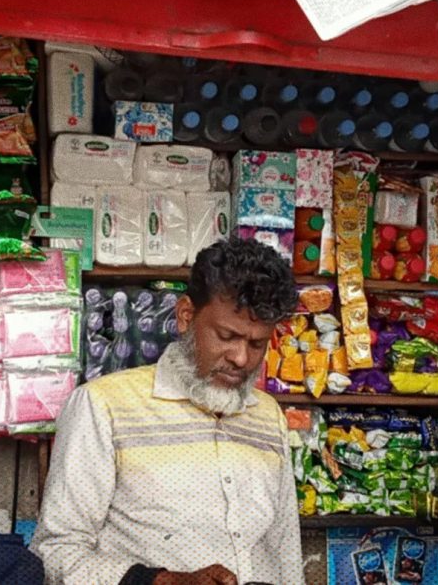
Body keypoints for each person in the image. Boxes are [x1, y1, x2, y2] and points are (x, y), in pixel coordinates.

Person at [31, 238, 304, 585]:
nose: (241, 359)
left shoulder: (268, 416)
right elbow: (55, 553)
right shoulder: (104, 407)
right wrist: (161, 582)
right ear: (186, 316)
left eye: (256, 344)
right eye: (226, 336)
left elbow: (285, 552)